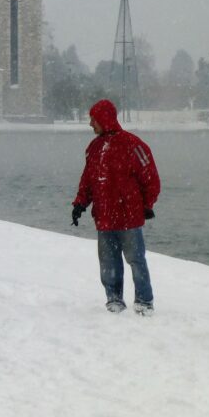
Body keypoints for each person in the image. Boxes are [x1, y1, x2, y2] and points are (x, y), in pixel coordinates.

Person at [72, 99, 161, 315]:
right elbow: (88, 179)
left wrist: (147, 205)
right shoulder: (94, 149)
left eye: (93, 119)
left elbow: (151, 179)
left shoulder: (133, 145)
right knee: (108, 264)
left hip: (129, 217)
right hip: (104, 217)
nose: (90, 124)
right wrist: (80, 204)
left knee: (136, 260)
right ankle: (114, 300)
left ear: (104, 118)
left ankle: (144, 301)